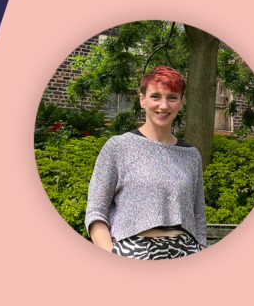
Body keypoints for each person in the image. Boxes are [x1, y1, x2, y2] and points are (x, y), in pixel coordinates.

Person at [84, 66, 207, 260]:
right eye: (155, 96)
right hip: (132, 253)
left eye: (172, 97)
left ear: (182, 103)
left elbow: (199, 219)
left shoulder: (191, 156)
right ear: (142, 100)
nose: (163, 105)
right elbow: (96, 212)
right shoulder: (118, 147)